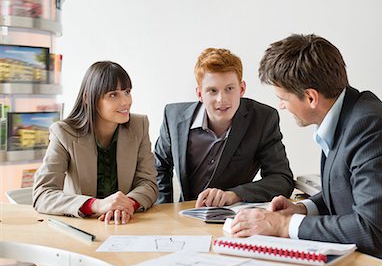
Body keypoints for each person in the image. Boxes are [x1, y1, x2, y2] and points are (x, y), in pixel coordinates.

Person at [231, 34, 382, 258]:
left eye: (283, 98)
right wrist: (302, 209)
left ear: (311, 97)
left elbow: (370, 230)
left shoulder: (371, 129)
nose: (281, 106)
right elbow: (348, 189)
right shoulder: (352, 113)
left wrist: (283, 226)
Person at [154, 48, 294, 208]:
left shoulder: (263, 119)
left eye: (229, 89)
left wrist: (235, 195)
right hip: (185, 216)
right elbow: (159, 167)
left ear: (242, 89)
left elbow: (281, 179)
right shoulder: (173, 117)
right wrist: (163, 209)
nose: (222, 99)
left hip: (234, 217)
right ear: (199, 94)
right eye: (212, 91)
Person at [33, 61, 158, 225]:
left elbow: (148, 183)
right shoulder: (64, 133)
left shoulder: (139, 125)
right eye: (113, 95)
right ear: (88, 98)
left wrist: (127, 205)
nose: (125, 102)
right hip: (82, 227)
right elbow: (43, 194)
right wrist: (96, 205)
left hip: (126, 224)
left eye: (127, 92)